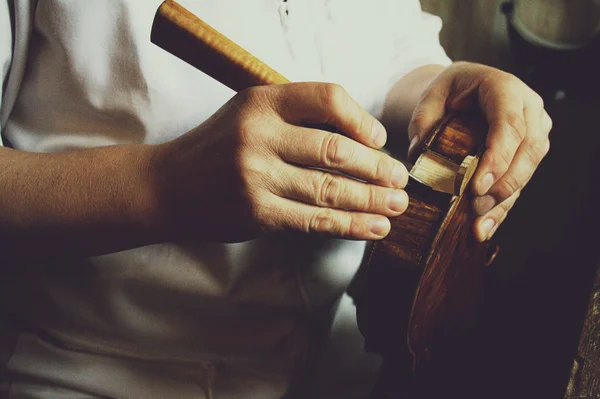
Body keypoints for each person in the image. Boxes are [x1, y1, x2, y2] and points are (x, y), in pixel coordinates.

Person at [0, 0, 551, 398]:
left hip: (337, 365)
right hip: (92, 374)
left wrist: (446, 81)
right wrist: (160, 185)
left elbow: (392, 54)